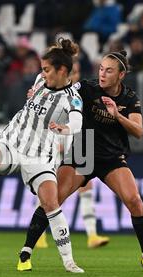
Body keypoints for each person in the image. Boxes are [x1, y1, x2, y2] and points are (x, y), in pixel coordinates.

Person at [0, 38, 85, 273]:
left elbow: (77, 121)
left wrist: (66, 129)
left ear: (62, 70)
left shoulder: (72, 98)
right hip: (13, 143)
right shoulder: (41, 80)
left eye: (47, 69)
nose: (42, 73)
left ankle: (69, 262)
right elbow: (35, 101)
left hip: (40, 157)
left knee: (51, 204)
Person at [18, 50, 143, 273]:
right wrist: (39, 93)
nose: (103, 74)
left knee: (135, 201)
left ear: (121, 75)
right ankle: (26, 252)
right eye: (101, 69)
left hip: (111, 158)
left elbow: (139, 131)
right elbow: (60, 92)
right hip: (82, 154)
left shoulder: (129, 98)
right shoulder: (86, 88)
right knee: (53, 200)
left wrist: (117, 115)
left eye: (109, 70)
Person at [35, 59, 110, 250]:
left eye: (77, 72)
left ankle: (92, 235)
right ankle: (40, 236)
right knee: (47, 191)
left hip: (77, 145)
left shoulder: (83, 93)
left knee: (86, 187)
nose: (74, 76)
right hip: (55, 145)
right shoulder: (56, 93)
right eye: (72, 72)